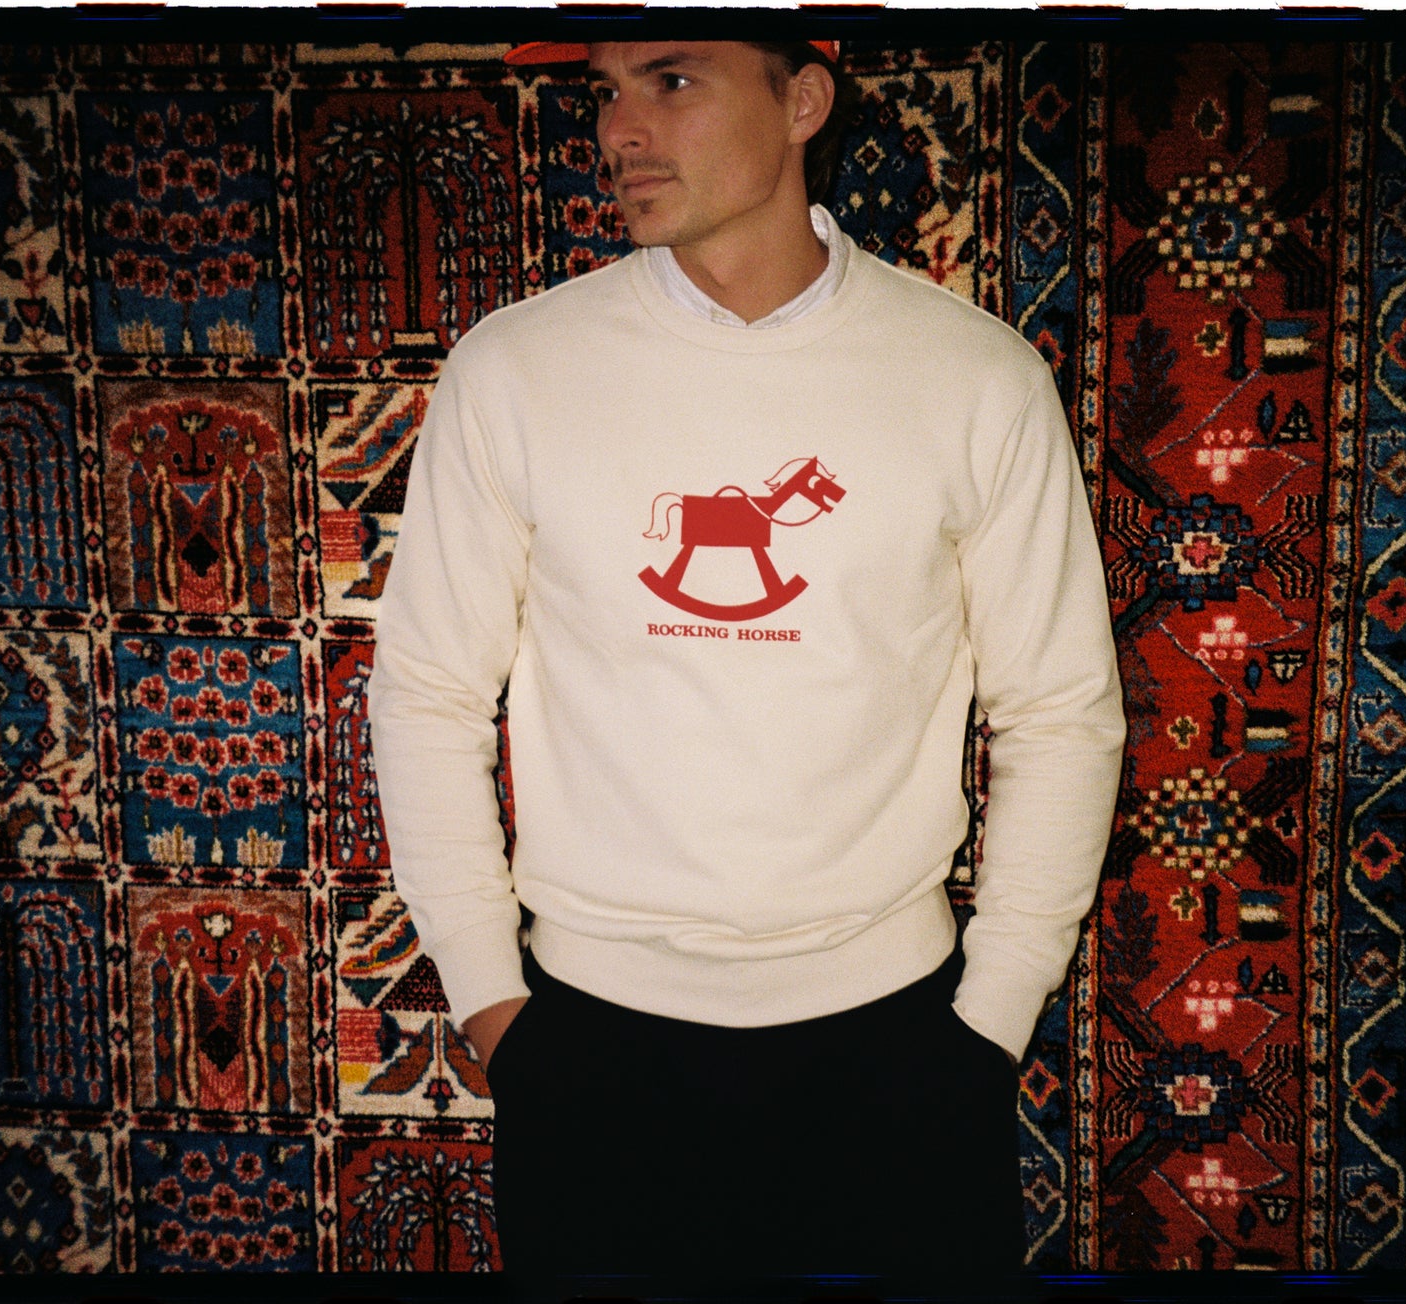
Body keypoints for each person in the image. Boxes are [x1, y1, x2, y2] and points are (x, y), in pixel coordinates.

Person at [368, 37, 1126, 1283]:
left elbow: (1059, 712)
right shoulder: (513, 370)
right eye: (605, 90)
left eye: (671, 80)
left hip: (898, 1049)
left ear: (801, 99)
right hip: (590, 1051)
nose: (618, 129)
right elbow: (426, 693)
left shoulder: (975, 377)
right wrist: (495, 1007)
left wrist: (989, 1021)